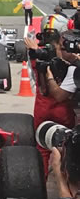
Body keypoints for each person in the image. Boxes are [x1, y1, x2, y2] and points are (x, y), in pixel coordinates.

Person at [24, 16, 76, 172]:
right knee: (67, 146)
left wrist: (34, 51)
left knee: (43, 149)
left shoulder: (38, 53)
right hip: (63, 108)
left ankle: (43, 181)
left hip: (42, 107)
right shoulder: (69, 56)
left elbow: (33, 73)